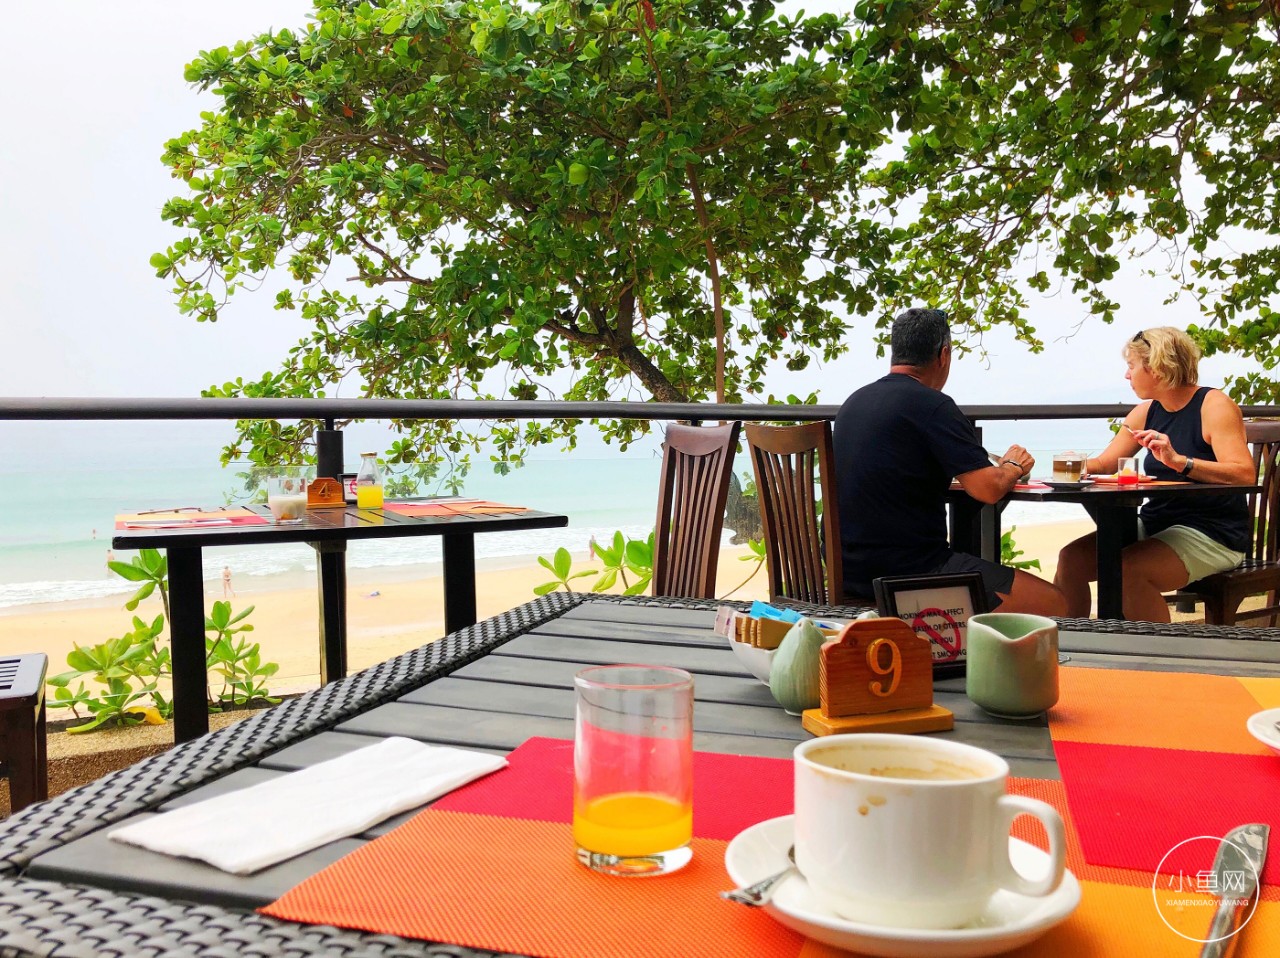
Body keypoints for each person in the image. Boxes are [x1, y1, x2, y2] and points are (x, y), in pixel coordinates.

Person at [833, 307, 1066, 616]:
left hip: (849, 573)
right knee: (1056, 604)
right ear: (943, 355)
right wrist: (1013, 466)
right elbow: (988, 489)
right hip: (912, 574)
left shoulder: (854, 402)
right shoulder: (932, 405)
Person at [1055, 327, 1255, 621]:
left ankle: (1162, 661)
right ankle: (1077, 650)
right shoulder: (1145, 411)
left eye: (1131, 366)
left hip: (1213, 532)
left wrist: (1180, 462)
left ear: (1157, 368)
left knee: (1128, 570)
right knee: (1071, 559)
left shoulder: (1214, 406)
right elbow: (1107, 463)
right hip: (1158, 523)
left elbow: (1244, 474)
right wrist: (1075, 464)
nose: (1127, 375)